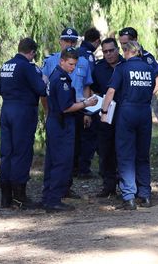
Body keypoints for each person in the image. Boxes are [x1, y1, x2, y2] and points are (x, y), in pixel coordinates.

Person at [100, 40, 155, 210]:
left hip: (127, 112)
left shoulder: (122, 68)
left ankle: (129, 196)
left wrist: (103, 111)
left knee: (125, 154)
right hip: (145, 111)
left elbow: (111, 91)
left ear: (126, 51)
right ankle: (145, 195)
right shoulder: (149, 69)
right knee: (142, 154)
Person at [42, 47, 98, 212]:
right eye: (70, 64)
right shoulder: (62, 79)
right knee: (62, 162)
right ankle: (54, 200)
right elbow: (66, 107)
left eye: (75, 65)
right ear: (62, 61)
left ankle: (48, 197)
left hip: (55, 122)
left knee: (52, 161)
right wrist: (86, 103)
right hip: (62, 125)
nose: (73, 68)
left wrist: (80, 99)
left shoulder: (55, 76)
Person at [0, 37, 47, 209]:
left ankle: (5, 197)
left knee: (7, 152)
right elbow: (41, 89)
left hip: (7, 110)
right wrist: (44, 80)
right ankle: (20, 196)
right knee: (22, 152)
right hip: (23, 112)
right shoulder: (27, 66)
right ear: (32, 52)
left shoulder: (6, 65)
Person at [91, 38, 124, 197]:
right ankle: (108, 186)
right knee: (105, 150)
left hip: (124, 115)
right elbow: (94, 90)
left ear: (118, 49)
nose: (109, 54)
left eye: (111, 50)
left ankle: (126, 185)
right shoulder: (98, 69)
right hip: (105, 115)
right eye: (105, 51)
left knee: (124, 150)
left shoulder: (126, 65)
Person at [77, 27, 102, 178]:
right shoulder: (88, 56)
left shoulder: (75, 52)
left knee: (80, 135)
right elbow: (90, 80)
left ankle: (76, 168)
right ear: (97, 41)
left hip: (74, 100)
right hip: (87, 100)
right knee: (90, 135)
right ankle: (84, 169)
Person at [118, 27, 158, 94]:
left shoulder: (146, 57)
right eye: (121, 43)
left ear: (135, 40)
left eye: (125, 43)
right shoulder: (122, 59)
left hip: (140, 103)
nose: (123, 46)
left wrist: (147, 95)